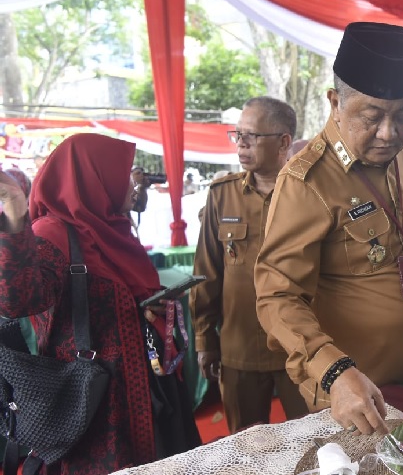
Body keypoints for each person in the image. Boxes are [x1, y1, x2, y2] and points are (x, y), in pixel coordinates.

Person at [254, 21, 403, 436]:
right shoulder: (306, 181)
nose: (389, 133)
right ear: (335, 102)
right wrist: (333, 372)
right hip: (354, 397)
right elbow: (277, 295)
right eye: (372, 117)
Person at [0, 133, 201, 474]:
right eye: (122, 175)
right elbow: (17, 299)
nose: (131, 185)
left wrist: (146, 309)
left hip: (148, 390)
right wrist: (15, 216)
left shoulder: (112, 229)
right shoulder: (52, 231)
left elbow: (116, 298)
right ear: (93, 177)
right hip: (93, 404)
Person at [191, 97, 308, 434]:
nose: (241, 143)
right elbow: (207, 274)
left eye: (252, 136)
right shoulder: (221, 195)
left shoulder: (310, 194)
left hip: (298, 349)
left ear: (284, 142)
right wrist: (204, 340)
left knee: (311, 441)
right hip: (239, 348)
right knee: (245, 447)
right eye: (237, 134)